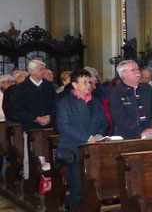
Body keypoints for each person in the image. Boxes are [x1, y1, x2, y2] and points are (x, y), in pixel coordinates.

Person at [56, 68, 109, 210]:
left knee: (94, 185)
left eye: (90, 82)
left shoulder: (95, 101)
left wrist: (99, 135)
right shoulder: (65, 103)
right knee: (78, 187)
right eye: (84, 82)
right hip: (74, 149)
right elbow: (64, 126)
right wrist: (88, 137)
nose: (88, 85)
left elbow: (105, 122)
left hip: (94, 149)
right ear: (74, 85)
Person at [13, 60, 57, 179]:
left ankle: (50, 182)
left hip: (49, 126)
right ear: (32, 71)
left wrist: (50, 116)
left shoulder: (49, 87)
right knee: (34, 157)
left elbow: (55, 104)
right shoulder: (22, 88)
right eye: (40, 69)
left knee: (49, 156)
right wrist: (35, 118)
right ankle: (32, 181)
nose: (43, 71)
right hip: (31, 127)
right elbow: (18, 110)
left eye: (43, 69)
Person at [108, 60, 152, 139]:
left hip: (150, 133)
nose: (137, 72)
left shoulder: (147, 88)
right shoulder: (116, 92)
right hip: (127, 136)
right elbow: (120, 117)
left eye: (138, 69)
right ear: (123, 74)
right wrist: (140, 132)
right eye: (133, 70)